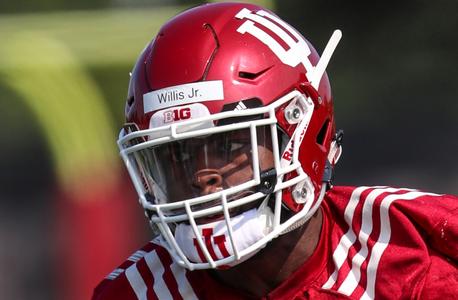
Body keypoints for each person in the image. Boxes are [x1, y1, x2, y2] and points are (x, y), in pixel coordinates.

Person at [92, 2, 457, 299]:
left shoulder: (415, 251)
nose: (201, 176)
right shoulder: (135, 292)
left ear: (301, 131)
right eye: (179, 155)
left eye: (226, 144)